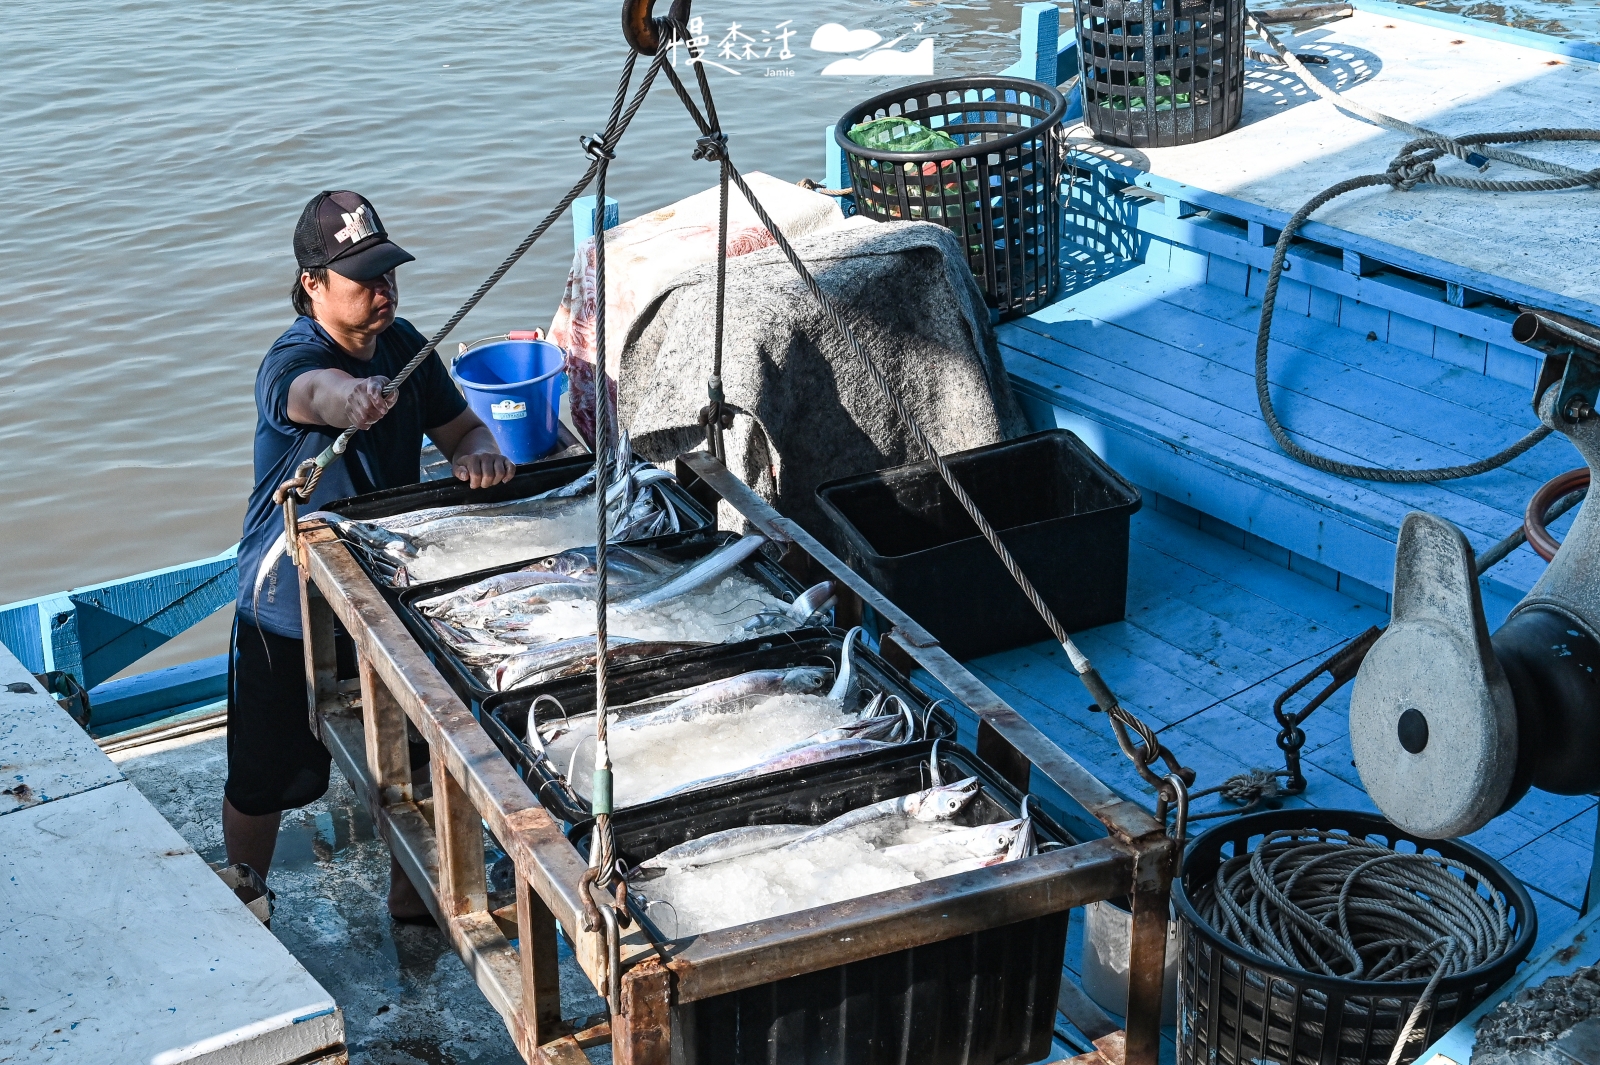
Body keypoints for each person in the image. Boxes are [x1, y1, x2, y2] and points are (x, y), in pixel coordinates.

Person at [227, 190, 516, 919]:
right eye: (363, 278)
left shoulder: (407, 346)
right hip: (286, 606)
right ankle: (245, 894)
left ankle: (413, 897)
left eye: (388, 273)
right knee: (266, 777)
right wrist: (350, 401)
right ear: (312, 285)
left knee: (418, 759)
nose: (383, 291)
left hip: (385, 592)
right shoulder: (292, 357)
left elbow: (464, 433)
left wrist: (481, 456)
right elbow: (311, 394)